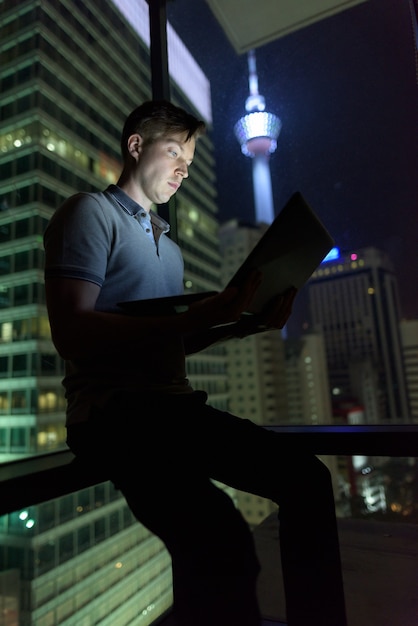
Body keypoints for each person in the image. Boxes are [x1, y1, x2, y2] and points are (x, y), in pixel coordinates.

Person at [43, 99, 347, 626]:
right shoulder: (89, 212)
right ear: (136, 146)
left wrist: (238, 323)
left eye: (191, 156)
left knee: (308, 480)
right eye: (175, 151)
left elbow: (166, 344)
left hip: (175, 410)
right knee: (222, 541)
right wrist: (198, 316)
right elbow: (72, 331)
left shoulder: (170, 248)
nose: (185, 166)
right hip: (117, 415)